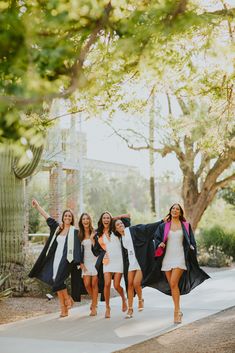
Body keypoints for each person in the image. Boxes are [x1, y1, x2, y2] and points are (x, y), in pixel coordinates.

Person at [146, 203, 210, 324]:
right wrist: (159, 243)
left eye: (177, 209)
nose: (175, 210)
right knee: (172, 286)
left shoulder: (185, 225)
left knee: (174, 282)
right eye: (173, 209)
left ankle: (176, 311)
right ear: (170, 211)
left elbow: (192, 241)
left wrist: (191, 246)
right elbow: (157, 238)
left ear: (180, 213)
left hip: (180, 257)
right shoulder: (164, 226)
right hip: (167, 259)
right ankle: (178, 310)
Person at [29, 199, 81, 318]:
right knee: (56, 280)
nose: (67, 217)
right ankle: (64, 308)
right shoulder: (58, 228)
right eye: (66, 215)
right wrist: (37, 206)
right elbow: (47, 217)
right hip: (55, 258)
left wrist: (79, 262)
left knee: (58, 281)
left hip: (67, 259)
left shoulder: (75, 232)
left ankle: (67, 300)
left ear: (72, 218)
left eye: (69, 216)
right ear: (63, 217)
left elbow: (81, 243)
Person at [112, 217, 164, 318]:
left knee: (136, 283)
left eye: (121, 223)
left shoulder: (132, 230)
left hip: (140, 261)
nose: (120, 225)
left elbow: (147, 227)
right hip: (131, 263)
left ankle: (141, 299)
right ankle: (130, 309)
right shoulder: (121, 238)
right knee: (129, 285)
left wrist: (161, 222)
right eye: (117, 225)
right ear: (116, 229)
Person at [92, 211, 130, 319]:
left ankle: (123, 298)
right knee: (107, 284)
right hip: (107, 261)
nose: (106, 220)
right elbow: (96, 251)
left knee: (117, 285)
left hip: (119, 261)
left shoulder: (116, 229)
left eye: (108, 218)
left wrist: (115, 217)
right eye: (104, 218)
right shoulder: (98, 233)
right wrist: (91, 240)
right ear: (101, 220)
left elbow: (128, 216)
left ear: (111, 219)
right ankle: (107, 307)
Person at [78, 213, 98, 316]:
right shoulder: (79, 234)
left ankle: (94, 307)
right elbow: (78, 251)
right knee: (86, 284)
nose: (85, 221)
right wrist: (81, 263)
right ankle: (95, 300)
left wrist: (92, 239)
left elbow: (98, 249)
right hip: (85, 262)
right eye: (83, 219)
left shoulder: (95, 232)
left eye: (87, 219)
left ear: (90, 220)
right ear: (81, 222)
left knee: (94, 284)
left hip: (95, 261)